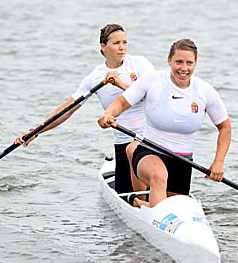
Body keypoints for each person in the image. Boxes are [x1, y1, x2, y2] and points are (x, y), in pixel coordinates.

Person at [15, 24, 154, 196]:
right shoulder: (95, 77)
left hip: (150, 139)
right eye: (116, 43)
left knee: (147, 190)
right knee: (128, 196)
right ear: (103, 47)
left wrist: (120, 84)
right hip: (122, 142)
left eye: (125, 42)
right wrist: (37, 130)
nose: (122, 47)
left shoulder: (140, 64)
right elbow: (68, 109)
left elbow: (153, 96)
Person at [98, 39, 231, 208]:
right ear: (169, 61)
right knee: (158, 176)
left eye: (189, 63)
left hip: (182, 162)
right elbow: (122, 102)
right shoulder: (153, 80)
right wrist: (109, 114)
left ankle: (142, 204)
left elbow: (225, 127)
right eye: (178, 62)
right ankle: (151, 210)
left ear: (195, 63)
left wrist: (218, 162)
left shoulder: (205, 91)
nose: (184, 68)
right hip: (149, 152)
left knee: (174, 205)